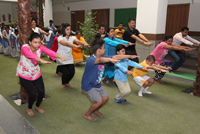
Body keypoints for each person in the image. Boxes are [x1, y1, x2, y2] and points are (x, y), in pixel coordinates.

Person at [81, 39, 137, 121]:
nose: (105, 49)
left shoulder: (103, 57)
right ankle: (87, 114)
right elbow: (100, 60)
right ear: (98, 50)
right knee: (99, 101)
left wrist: (129, 56)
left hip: (97, 83)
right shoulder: (91, 60)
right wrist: (110, 60)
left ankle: (95, 110)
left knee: (105, 98)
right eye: (104, 48)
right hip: (89, 85)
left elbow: (116, 56)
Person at [16, 32, 68, 116]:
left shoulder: (40, 47)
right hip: (24, 74)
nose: (37, 44)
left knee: (41, 91)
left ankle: (37, 106)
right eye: (35, 42)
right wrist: (40, 60)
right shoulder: (24, 47)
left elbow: (49, 51)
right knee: (32, 93)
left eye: (39, 42)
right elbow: (29, 55)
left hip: (35, 73)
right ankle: (29, 108)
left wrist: (60, 57)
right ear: (30, 42)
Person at [57, 23, 89, 88]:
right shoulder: (60, 38)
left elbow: (77, 41)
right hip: (62, 58)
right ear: (63, 30)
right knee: (65, 73)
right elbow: (66, 43)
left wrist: (83, 43)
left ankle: (67, 82)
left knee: (72, 73)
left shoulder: (72, 37)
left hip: (69, 58)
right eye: (67, 29)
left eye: (70, 29)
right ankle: (63, 83)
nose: (69, 31)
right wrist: (75, 46)